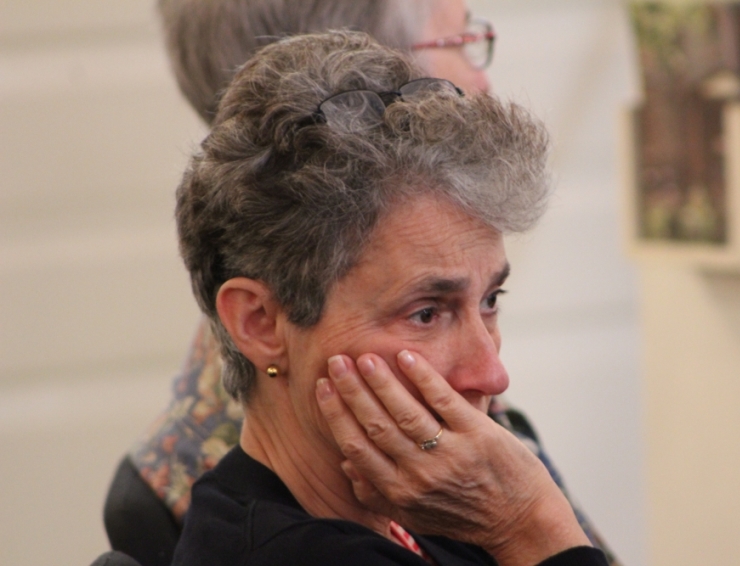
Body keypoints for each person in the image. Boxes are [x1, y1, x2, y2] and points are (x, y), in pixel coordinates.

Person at [104, 1, 620, 565]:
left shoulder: (433, 500)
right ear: (259, 322)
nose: (492, 373)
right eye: (426, 312)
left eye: (491, 300)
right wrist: (531, 526)